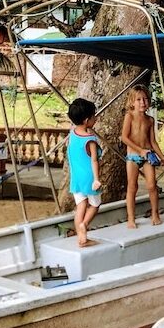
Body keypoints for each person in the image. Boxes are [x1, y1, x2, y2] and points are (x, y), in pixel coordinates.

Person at [120, 84, 164, 228]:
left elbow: (153, 141)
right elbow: (124, 137)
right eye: (139, 99)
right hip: (133, 156)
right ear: (132, 102)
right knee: (132, 186)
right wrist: (139, 150)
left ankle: (155, 213)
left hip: (148, 156)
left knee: (152, 185)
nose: (142, 102)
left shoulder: (150, 120)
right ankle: (131, 218)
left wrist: (162, 156)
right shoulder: (129, 116)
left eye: (145, 99)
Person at [67, 98, 102, 247]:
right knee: (95, 204)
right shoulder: (90, 139)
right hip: (89, 178)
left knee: (81, 206)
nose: (96, 118)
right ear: (87, 120)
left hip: (76, 178)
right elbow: (94, 160)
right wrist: (96, 179)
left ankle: (81, 238)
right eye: (94, 116)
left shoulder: (72, 134)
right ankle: (84, 225)